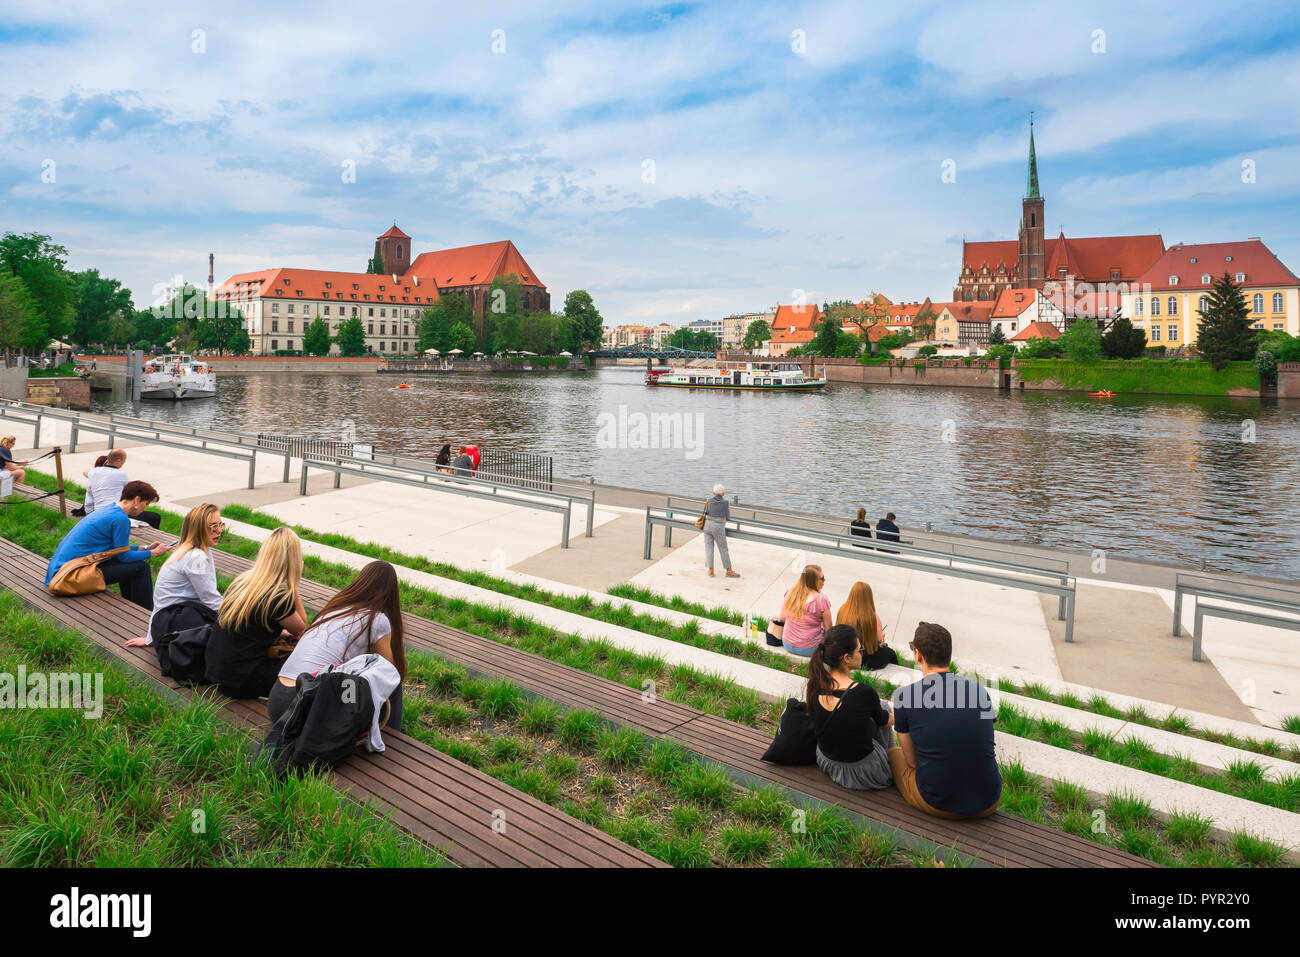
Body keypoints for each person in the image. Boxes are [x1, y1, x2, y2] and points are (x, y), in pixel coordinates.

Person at [268, 560, 407, 732]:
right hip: (303, 707)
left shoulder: (334, 610)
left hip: (277, 701)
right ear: (391, 594)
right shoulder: (376, 619)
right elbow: (389, 671)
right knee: (392, 683)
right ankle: (393, 740)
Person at [888, 622, 1002, 819]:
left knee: (892, 753)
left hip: (937, 802)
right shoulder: (979, 691)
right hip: (989, 800)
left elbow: (912, 762)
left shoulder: (904, 697)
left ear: (918, 655)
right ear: (948, 654)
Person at [205, 527, 308, 699]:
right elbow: (300, 628)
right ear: (294, 560)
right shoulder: (278, 596)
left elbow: (252, 626)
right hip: (241, 681)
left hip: (217, 673)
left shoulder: (244, 581)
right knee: (304, 664)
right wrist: (293, 582)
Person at [44, 480, 171, 609]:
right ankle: (146, 613)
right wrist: (153, 553)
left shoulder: (110, 510)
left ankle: (133, 606)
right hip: (68, 576)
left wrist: (143, 548)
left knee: (131, 566)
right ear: (137, 500)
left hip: (58, 571)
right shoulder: (121, 519)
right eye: (146, 503)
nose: (145, 508)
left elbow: (117, 550)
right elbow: (124, 557)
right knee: (141, 567)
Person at [124, 503, 226, 651]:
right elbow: (211, 601)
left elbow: (162, 601)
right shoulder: (196, 557)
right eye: (213, 526)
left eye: (221, 524)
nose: (220, 531)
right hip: (172, 628)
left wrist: (150, 637)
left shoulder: (191, 548)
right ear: (198, 529)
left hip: (167, 622)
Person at [807, 624, 894, 790]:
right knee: (886, 709)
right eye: (860, 651)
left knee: (878, 707)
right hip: (861, 773)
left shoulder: (815, 684)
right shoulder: (864, 693)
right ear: (846, 657)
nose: (862, 654)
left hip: (826, 761)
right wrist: (899, 714)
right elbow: (886, 721)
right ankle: (891, 757)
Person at [82, 449, 162, 529]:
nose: (124, 463)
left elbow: (85, 472)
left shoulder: (94, 472)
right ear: (118, 460)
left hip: (97, 513)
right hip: (114, 513)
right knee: (155, 517)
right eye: (124, 460)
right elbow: (131, 491)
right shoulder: (121, 475)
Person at [836, 581, 897, 670]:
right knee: (890, 653)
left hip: (846, 655)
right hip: (866, 658)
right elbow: (879, 642)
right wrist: (882, 637)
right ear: (869, 597)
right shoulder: (873, 616)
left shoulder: (842, 610)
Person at [777, 564, 832, 657]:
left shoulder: (791, 592)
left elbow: (781, 618)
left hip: (787, 643)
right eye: (822, 578)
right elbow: (829, 629)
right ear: (814, 581)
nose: (824, 581)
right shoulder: (821, 599)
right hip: (810, 649)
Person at [701, 483, 739, 578]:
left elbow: (706, 512)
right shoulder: (726, 503)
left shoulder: (708, 501)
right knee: (723, 549)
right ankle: (729, 570)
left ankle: (710, 570)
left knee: (709, 548)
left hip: (707, 526)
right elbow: (728, 517)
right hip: (718, 528)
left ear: (713, 492)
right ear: (723, 493)